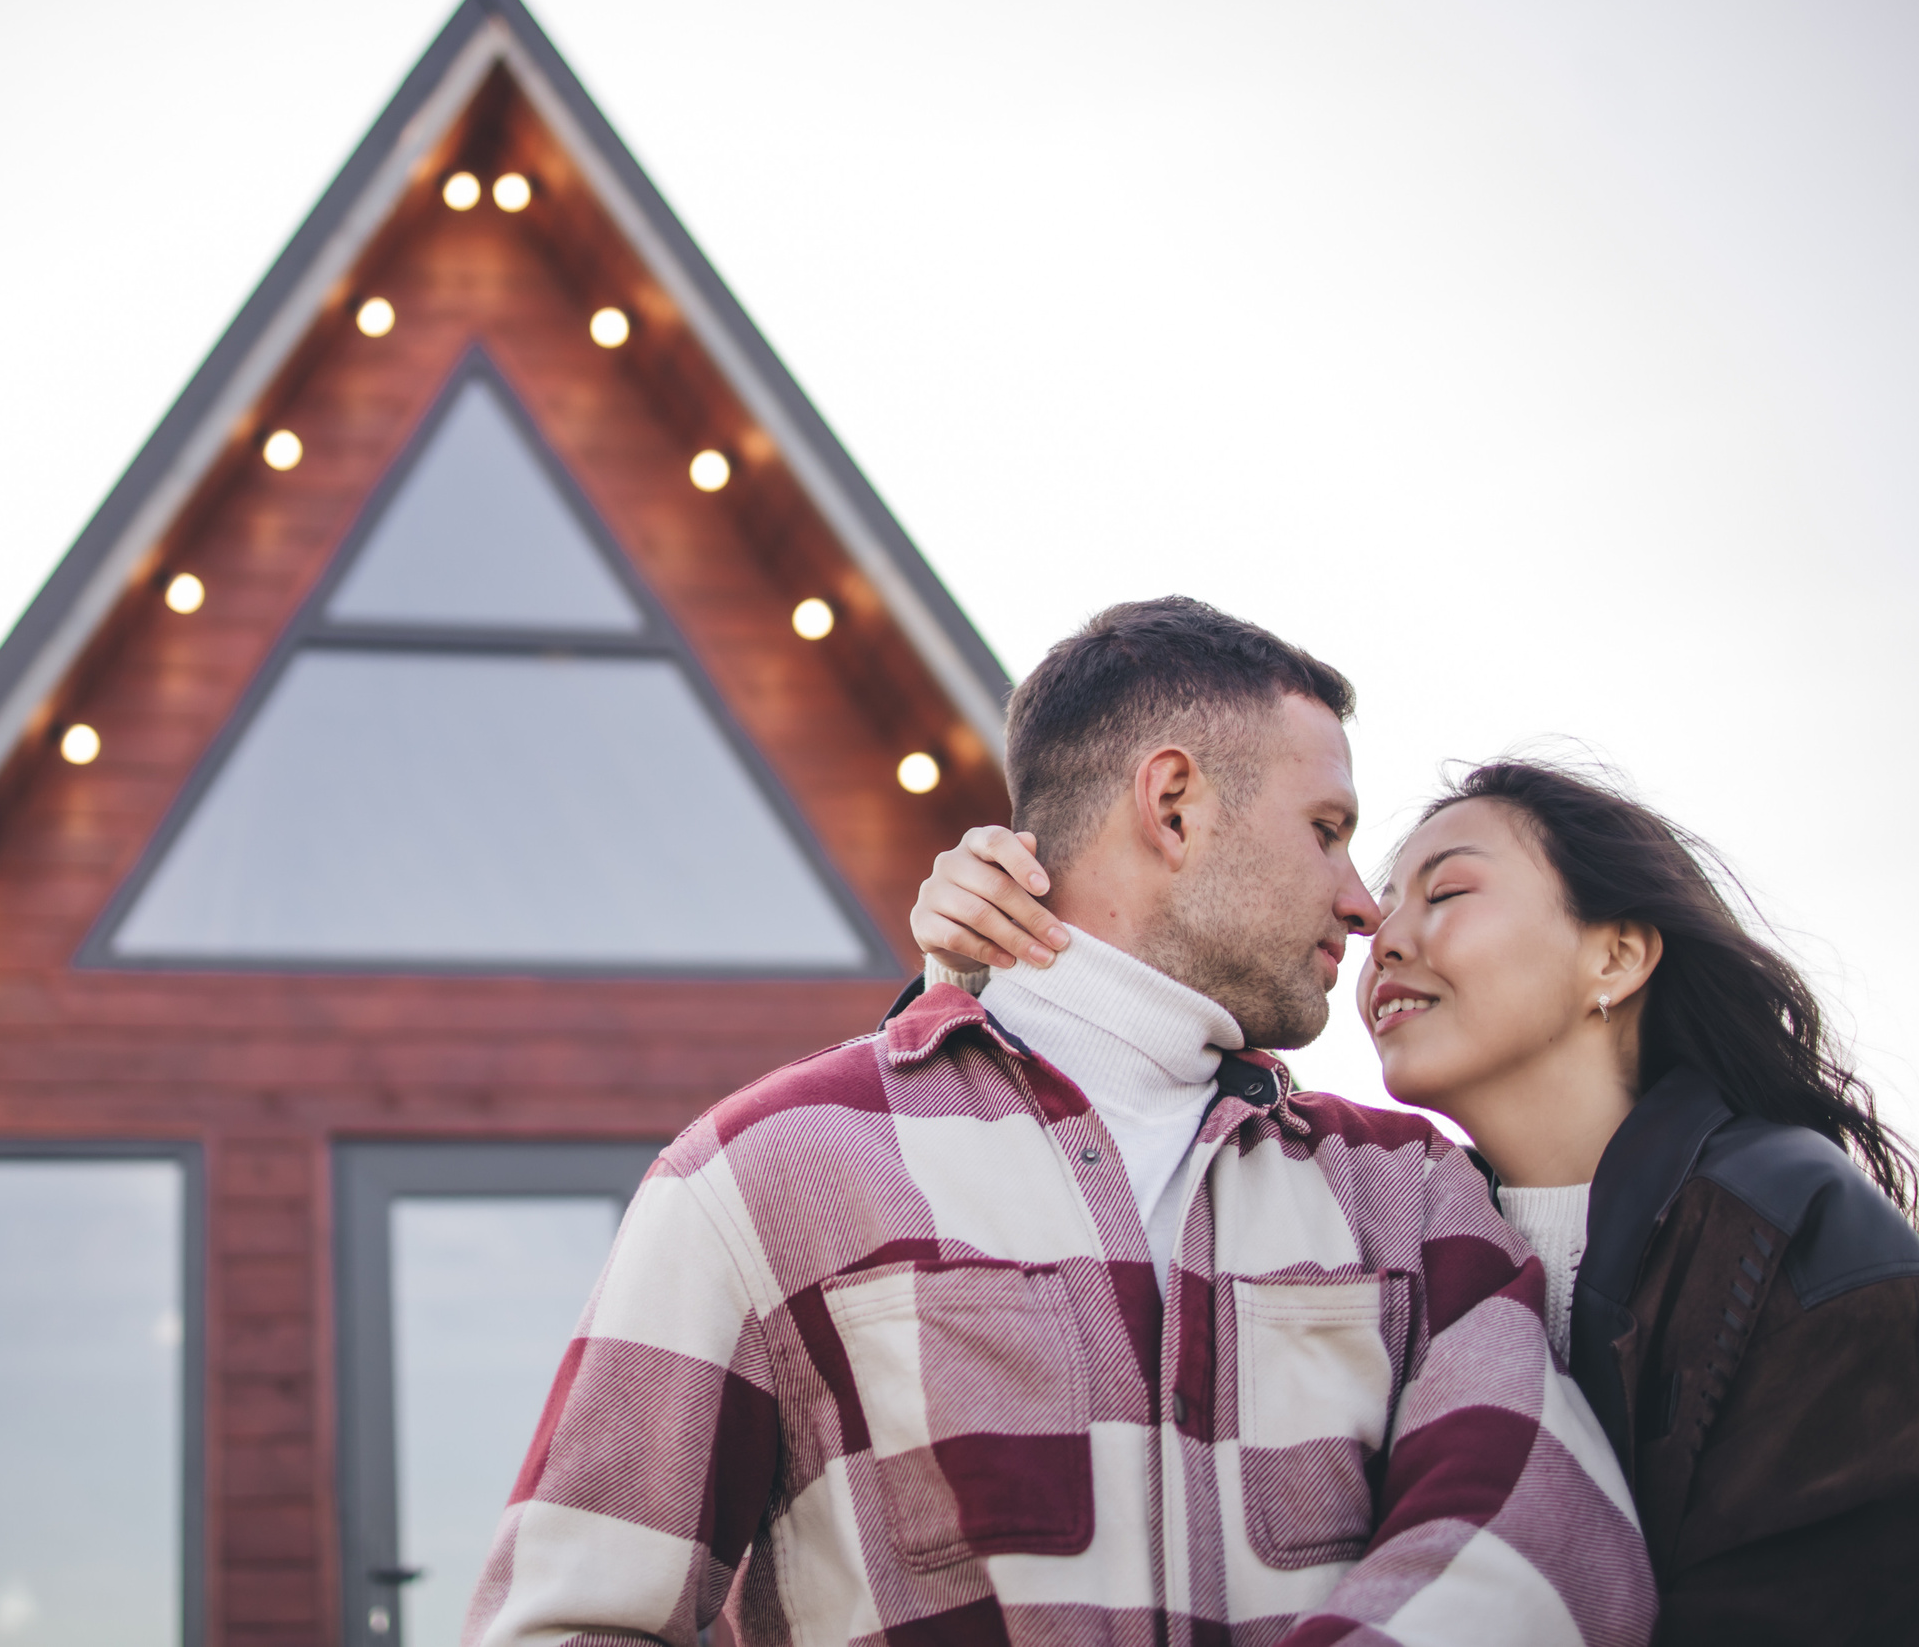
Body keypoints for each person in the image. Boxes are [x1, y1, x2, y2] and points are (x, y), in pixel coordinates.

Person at [465, 599, 1653, 1647]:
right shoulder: (762, 1177)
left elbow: (1551, 1550)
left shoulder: (1409, 1193)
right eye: (1327, 831)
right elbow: (568, 1621)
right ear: (1174, 806)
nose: (1359, 904)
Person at [917, 758, 1919, 1643]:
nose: (1382, 936)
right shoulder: (1385, 1225)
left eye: (1446, 892)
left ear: (1613, 957)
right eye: (1385, 903)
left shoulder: (1795, 1238)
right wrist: (984, 989)